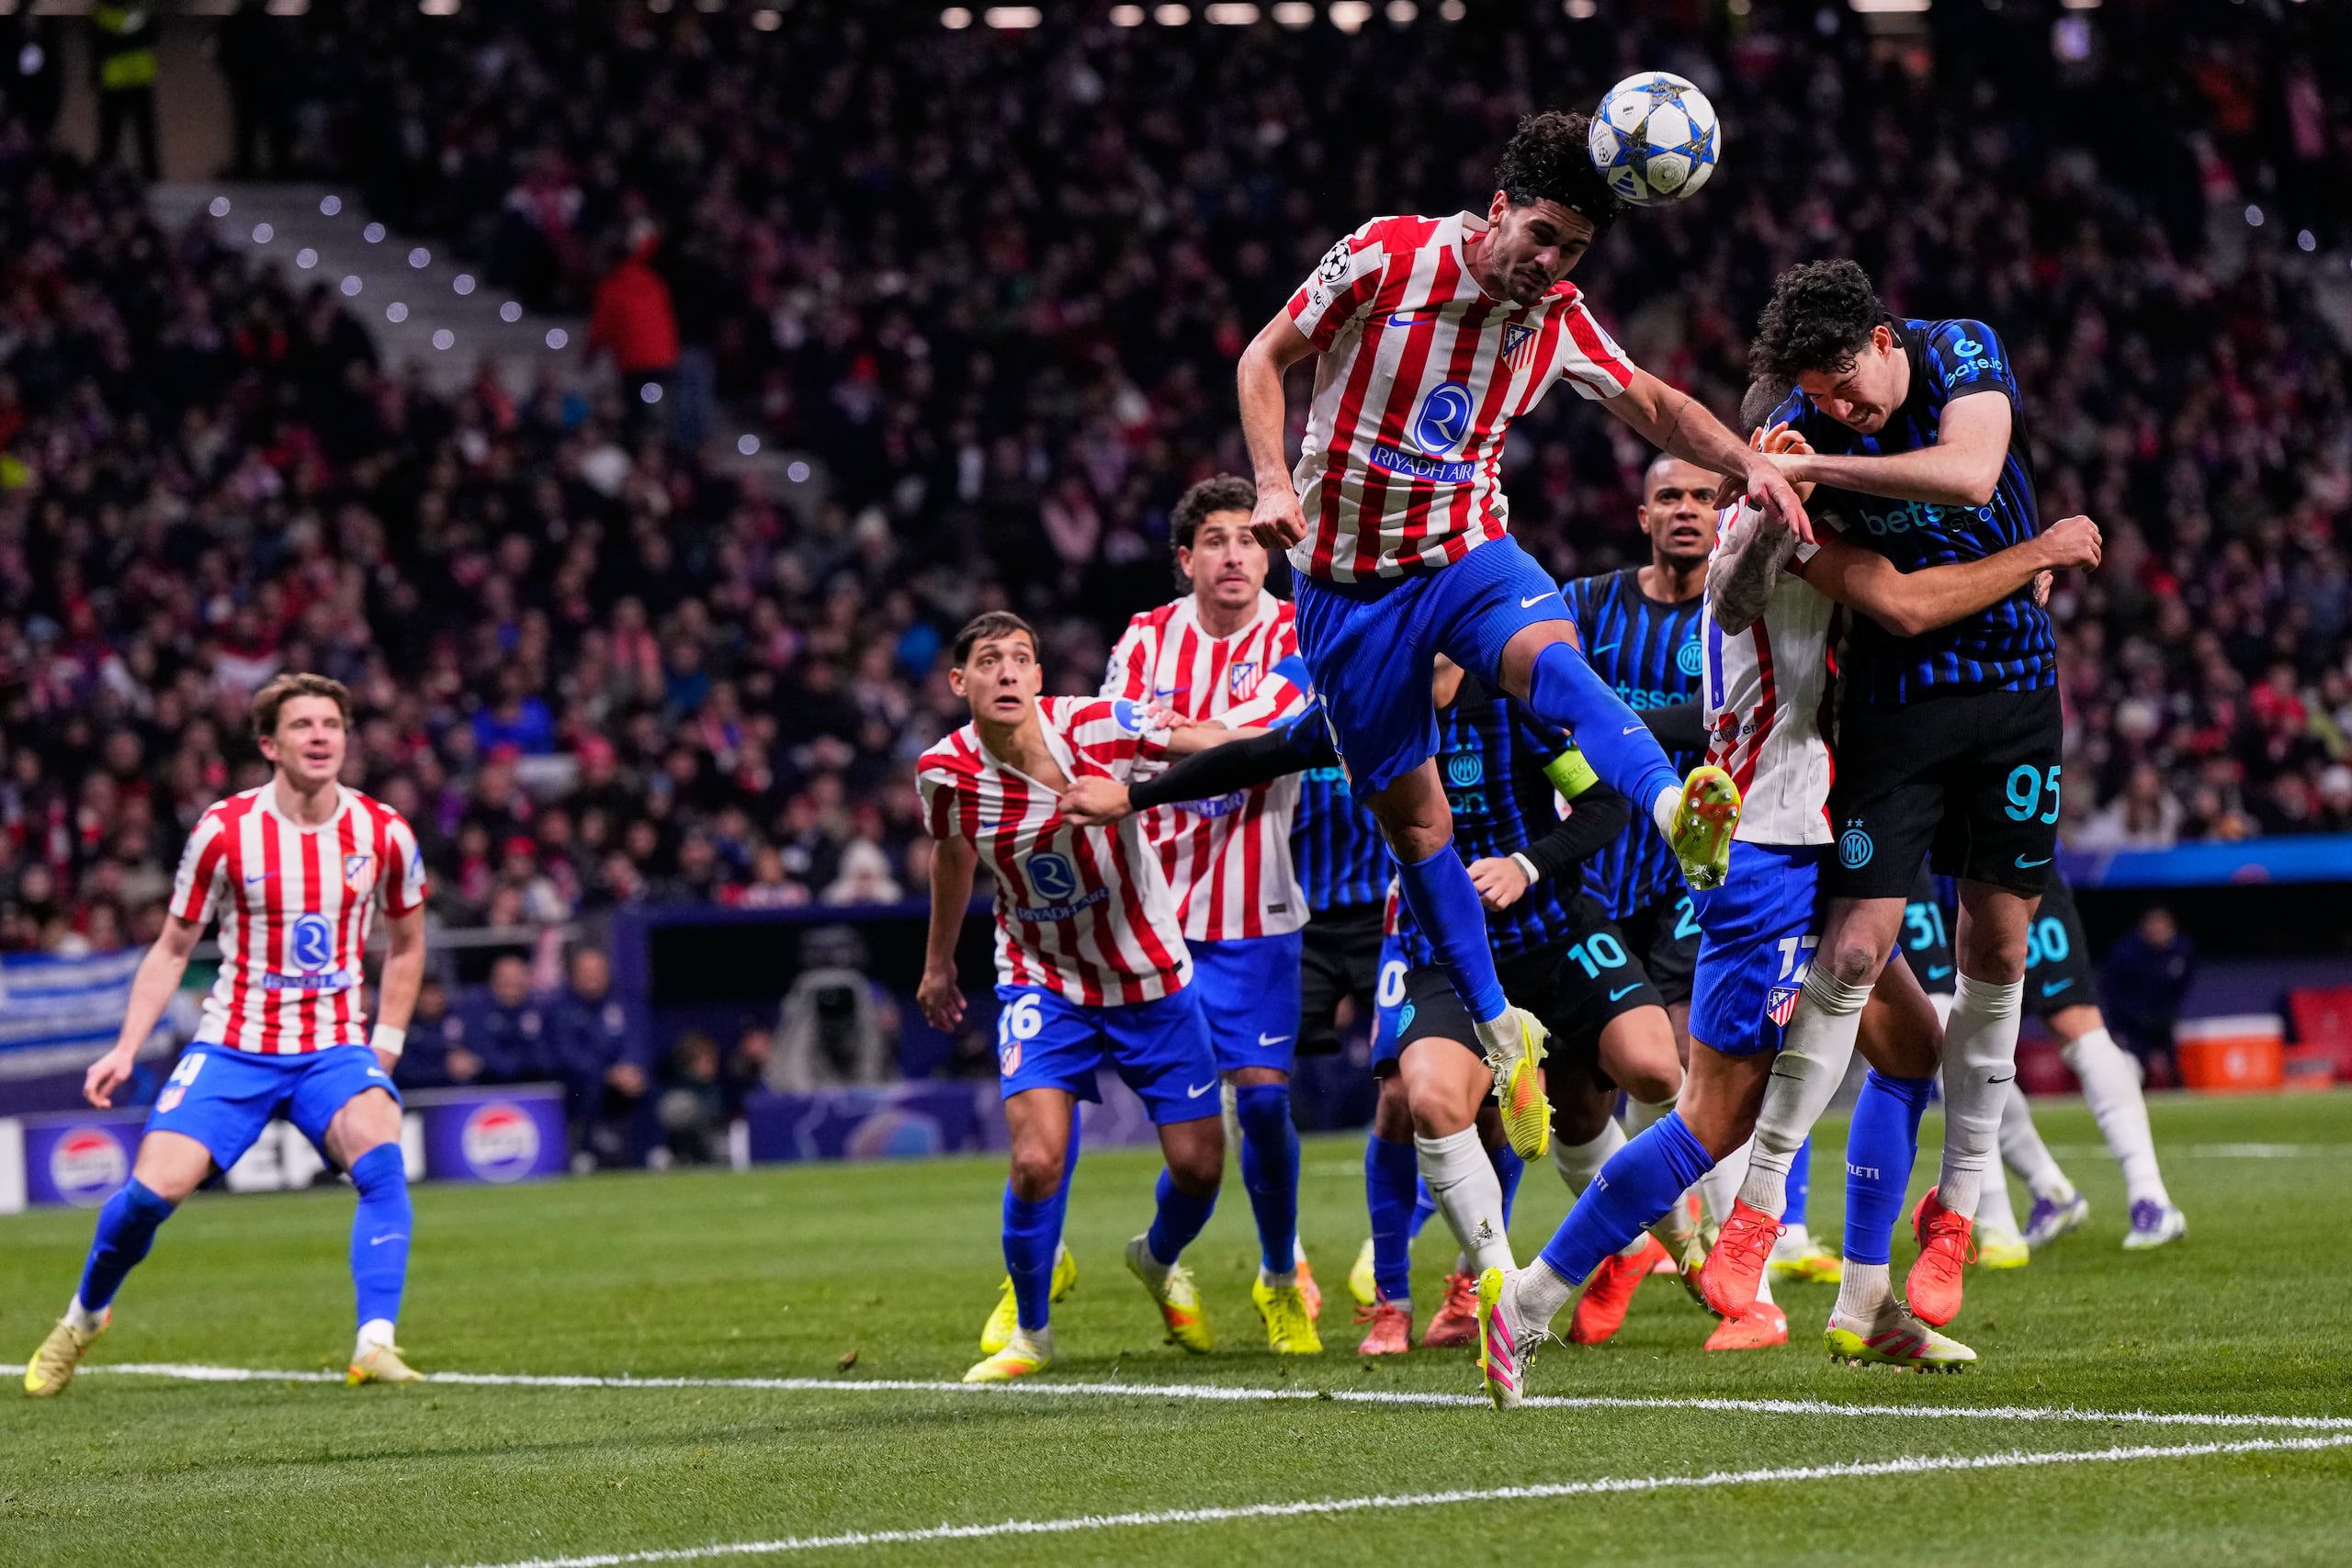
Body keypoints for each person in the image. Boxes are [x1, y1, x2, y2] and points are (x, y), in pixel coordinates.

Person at [1472, 391, 2105, 1407]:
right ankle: (1530, 1303)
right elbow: (1738, 593)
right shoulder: (1754, 532)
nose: (1813, 454)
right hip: (1765, 844)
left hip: (1829, 838)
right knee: (1707, 1121)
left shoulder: (1832, 512)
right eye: (1784, 445)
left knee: (1909, 1054)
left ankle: (1863, 1305)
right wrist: (1773, 503)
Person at [1234, 109, 1799, 1165]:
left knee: (1554, 662)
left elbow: (1657, 405)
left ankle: (1676, 808)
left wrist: (1750, 465)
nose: (1549, 263)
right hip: (1345, 590)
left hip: (1461, 550)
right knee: (1417, 826)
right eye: (1539, 235)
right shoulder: (1383, 255)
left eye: (1573, 249)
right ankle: (1498, 1027)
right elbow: (1264, 357)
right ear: (1496, 210)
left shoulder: (1558, 320)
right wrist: (1272, 481)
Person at [1067, 662, 1684, 1357]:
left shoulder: (1515, 702)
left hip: (1556, 933)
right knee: (1423, 1098)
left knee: (1655, 1070)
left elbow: (1603, 802)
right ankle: (1497, 1289)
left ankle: (1678, 1240)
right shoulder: (1369, 709)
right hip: (1444, 951)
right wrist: (1135, 794)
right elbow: (1261, 754)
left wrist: (1526, 864)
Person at [1697, 259, 2084, 1335]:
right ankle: (1759, 1210)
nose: (1833, 409)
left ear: (1881, 338)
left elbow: (1968, 475)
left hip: (2011, 691)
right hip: (1891, 705)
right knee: (1855, 953)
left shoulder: (1960, 346)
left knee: (1996, 951)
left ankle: (1955, 1210)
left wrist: (1820, 461)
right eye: (1812, 397)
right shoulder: (1792, 429)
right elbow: (1838, 603)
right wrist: (1781, 493)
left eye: (1842, 386)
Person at [23, 673, 430, 1397]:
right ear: (270, 745)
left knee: (380, 1154)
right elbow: (173, 947)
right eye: (303, 725)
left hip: (333, 1045)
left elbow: (407, 943)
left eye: (332, 724)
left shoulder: (384, 832)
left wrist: (386, 1041)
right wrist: (125, 1045)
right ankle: (83, 1317)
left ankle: (375, 1341)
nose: (320, 736)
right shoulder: (225, 830)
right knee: (151, 1196)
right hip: (236, 1043)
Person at [916, 612, 1228, 1383]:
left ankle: (1156, 1259)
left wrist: (1140, 792)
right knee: (1033, 1160)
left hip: (1148, 975)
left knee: (1199, 1168)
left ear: (1040, 678)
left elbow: (1210, 746)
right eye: (990, 661)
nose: (1009, 673)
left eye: (1022, 658)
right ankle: (1031, 1332)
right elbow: (951, 852)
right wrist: (938, 963)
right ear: (961, 682)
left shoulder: (1101, 725)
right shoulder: (943, 771)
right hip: (1042, 975)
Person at [1102, 474, 1322, 1352]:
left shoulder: (1299, 628)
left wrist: (1172, 727)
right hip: (1150, 914)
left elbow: (1275, 738)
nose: (1237, 555)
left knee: (1265, 1106)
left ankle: (1278, 1276)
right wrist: (1205, 732)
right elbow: (1115, 734)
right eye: (1218, 540)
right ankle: (1155, 1257)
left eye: (1251, 539)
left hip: (1256, 911)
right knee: (1193, 1142)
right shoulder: (1145, 633)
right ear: (1186, 557)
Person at [1899, 868, 2187, 1258]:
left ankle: (2147, 1197)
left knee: (2071, 1027)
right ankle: (2050, 1195)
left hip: (1991, 861)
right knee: (1959, 1036)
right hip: (1953, 868)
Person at [546, 947, 648, 1169]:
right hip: (578, 1082)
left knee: (647, 1082)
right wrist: (607, 1073)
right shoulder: (560, 1008)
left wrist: (630, 1066)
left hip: (623, 1079)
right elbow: (566, 1053)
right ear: (573, 976)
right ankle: (585, 1152)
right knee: (588, 1086)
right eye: (586, 972)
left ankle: (652, 1150)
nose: (592, 978)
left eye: (597, 972)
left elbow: (636, 1040)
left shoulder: (623, 1003)